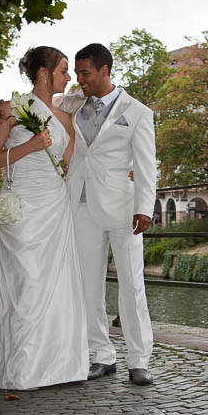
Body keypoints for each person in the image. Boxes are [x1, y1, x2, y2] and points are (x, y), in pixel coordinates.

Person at [0, 47, 88, 390]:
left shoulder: (65, 117)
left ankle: (55, 363)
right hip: (23, 207)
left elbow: (72, 166)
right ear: (43, 72)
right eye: (63, 70)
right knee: (23, 281)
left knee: (54, 283)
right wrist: (31, 146)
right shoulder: (9, 111)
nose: (68, 78)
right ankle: (18, 362)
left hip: (55, 207)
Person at [60, 43, 157, 387]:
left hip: (122, 208)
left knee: (131, 285)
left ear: (104, 70)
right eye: (77, 72)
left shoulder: (138, 112)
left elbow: (147, 165)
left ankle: (139, 359)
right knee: (88, 285)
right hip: (81, 204)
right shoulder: (72, 103)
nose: (79, 79)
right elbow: (40, 103)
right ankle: (101, 355)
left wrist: (145, 208)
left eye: (85, 72)